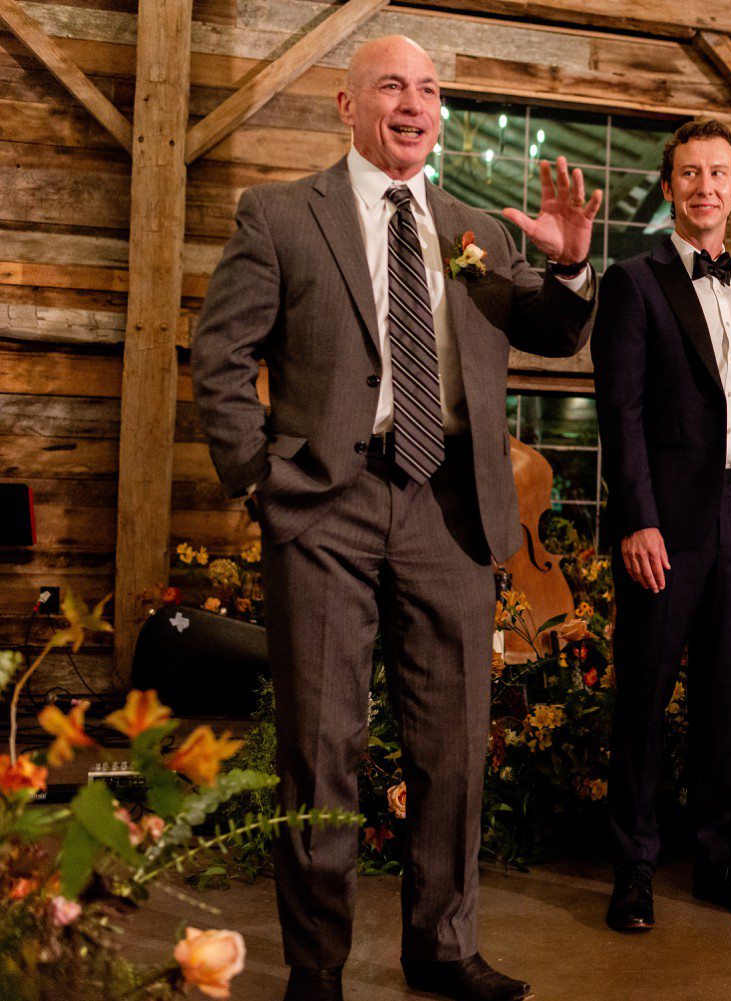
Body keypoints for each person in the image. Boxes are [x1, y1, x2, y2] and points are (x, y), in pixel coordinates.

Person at [192, 36, 598, 1001]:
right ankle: (317, 965)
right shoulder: (282, 215)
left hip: (449, 506)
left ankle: (442, 946)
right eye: (390, 85)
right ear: (346, 106)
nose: (412, 102)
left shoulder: (480, 230)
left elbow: (553, 328)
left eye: (427, 89)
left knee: (454, 741)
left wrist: (575, 263)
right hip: (325, 505)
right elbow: (219, 357)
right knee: (321, 743)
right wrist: (265, 480)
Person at [594, 119, 731, 933]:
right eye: (689, 173)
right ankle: (633, 867)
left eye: (719, 174)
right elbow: (622, 411)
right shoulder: (632, 281)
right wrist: (637, 518)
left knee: (720, 694)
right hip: (666, 522)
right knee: (642, 690)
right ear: (669, 187)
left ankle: (714, 856)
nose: (705, 186)